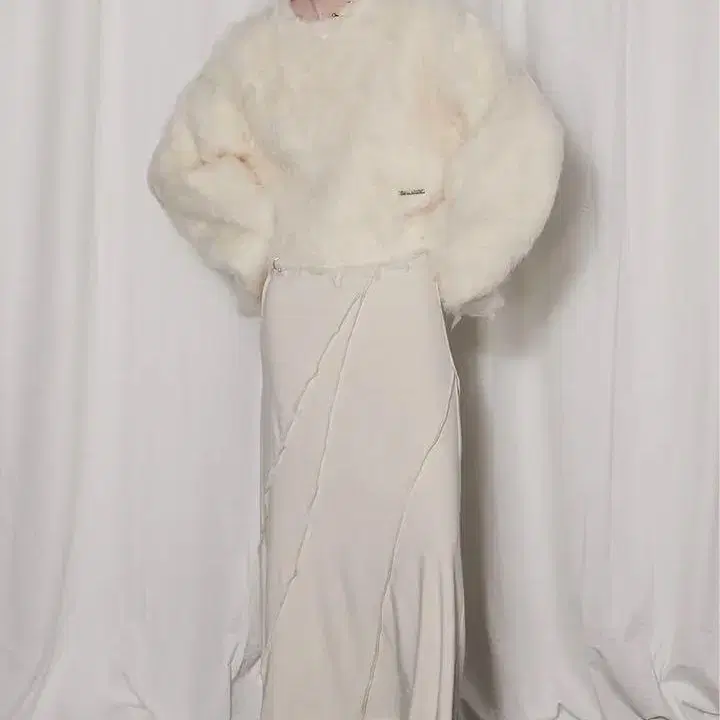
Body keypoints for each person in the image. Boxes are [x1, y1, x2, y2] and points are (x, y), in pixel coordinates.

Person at [147, 0, 563, 717]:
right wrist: (269, 238)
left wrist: (452, 261)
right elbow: (180, 166)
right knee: (309, 542)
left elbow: (524, 135)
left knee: (418, 530)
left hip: (401, 307)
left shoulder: (425, 26)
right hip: (302, 313)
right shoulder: (255, 51)